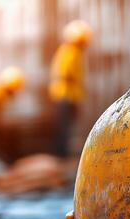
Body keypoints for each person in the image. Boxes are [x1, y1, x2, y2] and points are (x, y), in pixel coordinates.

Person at [49, 20, 92, 157]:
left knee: (66, 128)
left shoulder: (70, 51)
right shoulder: (71, 51)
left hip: (68, 95)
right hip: (65, 96)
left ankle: (63, 153)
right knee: (65, 128)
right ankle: (62, 155)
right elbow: (65, 73)